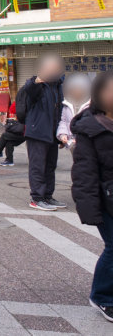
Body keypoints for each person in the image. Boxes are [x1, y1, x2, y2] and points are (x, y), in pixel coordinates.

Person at [70, 71, 113, 323]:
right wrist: (89, 210)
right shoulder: (90, 127)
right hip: (106, 201)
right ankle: (103, 296)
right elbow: (84, 174)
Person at [16, 54, 66, 211]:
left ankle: (47, 196)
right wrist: (37, 80)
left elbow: (60, 111)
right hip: (37, 132)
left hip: (52, 133)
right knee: (38, 166)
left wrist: (61, 134)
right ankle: (36, 198)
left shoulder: (57, 85)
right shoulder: (34, 84)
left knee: (50, 166)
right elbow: (30, 90)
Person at [59, 72, 91, 151]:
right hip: (71, 143)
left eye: (79, 89)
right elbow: (63, 121)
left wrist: (81, 138)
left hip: (87, 144)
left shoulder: (90, 105)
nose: (77, 92)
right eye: (74, 89)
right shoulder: (67, 105)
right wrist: (63, 134)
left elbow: (92, 125)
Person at [0, 101, 25, 166]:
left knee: (5, 135)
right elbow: (12, 109)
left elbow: (13, 109)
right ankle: (9, 160)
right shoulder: (23, 103)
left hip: (25, 132)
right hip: (23, 131)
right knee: (9, 142)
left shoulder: (25, 104)